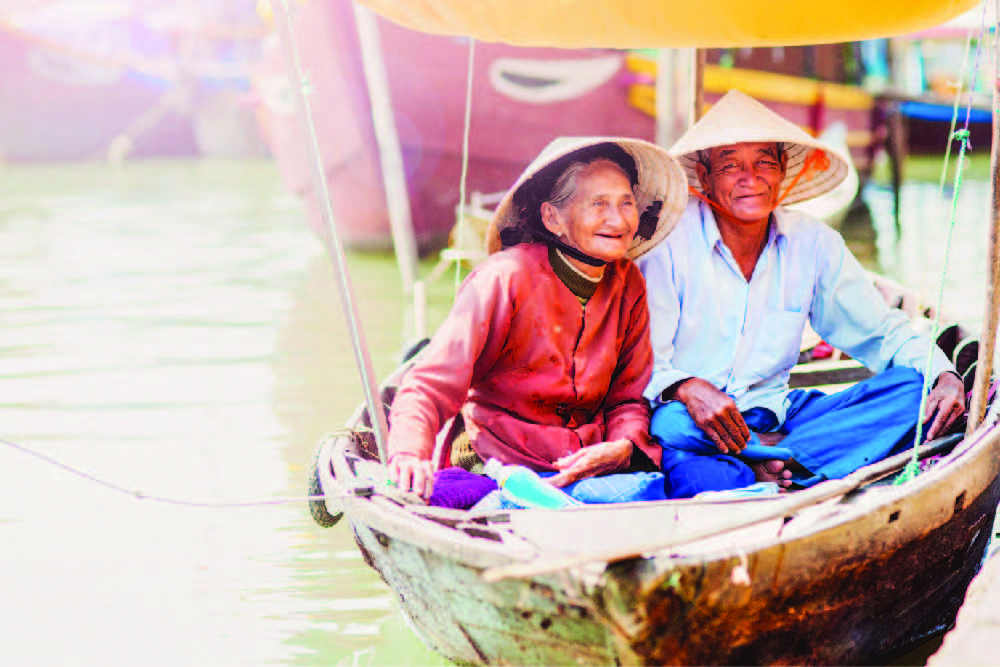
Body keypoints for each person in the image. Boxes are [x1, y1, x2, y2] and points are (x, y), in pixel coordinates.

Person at [637, 90, 966, 498]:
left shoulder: (813, 242)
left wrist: (945, 376)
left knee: (915, 393)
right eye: (730, 165)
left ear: (782, 171)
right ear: (705, 177)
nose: (750, 177)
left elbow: (883, 333)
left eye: (764, 163)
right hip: (695, 424)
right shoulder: (668, 245)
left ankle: (768, 459)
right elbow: (646, 364)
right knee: (678, 439)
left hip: (780, 418)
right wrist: (688, 387)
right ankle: (789, 463)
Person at [386, 136, 688, 501]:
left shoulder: (629, 283)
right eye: (598, 204)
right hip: (494, 460)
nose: (617, 218)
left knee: (647, 493)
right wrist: (408, 455)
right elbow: (431, 386)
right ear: (552, 218)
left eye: (626, 203)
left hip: (583, 466)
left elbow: (627, 398)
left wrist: (624, 447)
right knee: (455, 498)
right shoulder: (504, 277)